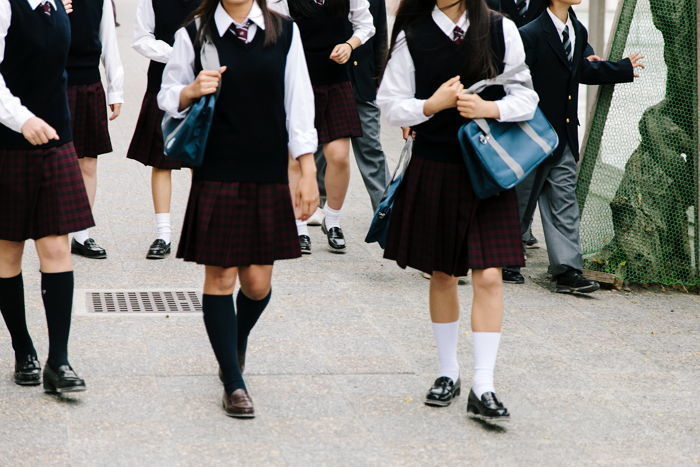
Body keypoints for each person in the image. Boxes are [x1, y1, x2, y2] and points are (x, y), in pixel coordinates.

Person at [378, 0, 538, 420]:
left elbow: (526, 94)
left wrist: (490, 108)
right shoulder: (412, 35)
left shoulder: (500, 28)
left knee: (489, 276)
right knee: (444, 273)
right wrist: (429, 106)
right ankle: (448, 373)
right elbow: (389, 103)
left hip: (487, 170)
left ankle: (483, 384)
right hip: (435, 165)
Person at [158, 0, 318, 417]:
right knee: (221, 274)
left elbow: (298, 102)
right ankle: (233, 381)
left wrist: (306, 171)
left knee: (258, 284)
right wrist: (190, 90)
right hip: (217, 167)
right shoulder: (194, 32)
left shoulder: (284, 31)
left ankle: (234, 340)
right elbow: (167, 94)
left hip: (266, 169)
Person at [517, 0, 643, 293]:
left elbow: (582, 71)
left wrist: (621, 69)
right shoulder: (529, 34)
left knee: (565, 202)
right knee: (520, 200)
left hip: (564, 136)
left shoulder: (577, 30)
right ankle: (507, 260)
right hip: (532, 136)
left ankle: (567, 272)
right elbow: (512, 84)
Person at [0, 0, 92, 394]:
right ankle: (24, 350)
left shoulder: (56, 3)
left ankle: (59, 360)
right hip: (7, 140)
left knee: (57, 248)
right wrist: (23, 120)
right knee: (7, 252)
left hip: (57, 137)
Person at [270, 0, 374, 255]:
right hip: (298, 82)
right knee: (296, 158)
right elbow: (273, 31)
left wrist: (350, 45)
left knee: (339, 157)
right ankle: (298, 224)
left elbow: (366, 25)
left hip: (337, 81)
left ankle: (333, 220)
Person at [128, 0, 201, 260]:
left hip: (204, 84)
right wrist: (176, 54)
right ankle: (163, 234)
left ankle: (202, 228)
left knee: (201, 162)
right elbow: (141, 38)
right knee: (162, 162)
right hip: (162, 84)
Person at [311, 0, 388, 222]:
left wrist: (380, 80)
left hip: (362, 81)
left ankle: (384, 209)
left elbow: (379, 36)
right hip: (325, 79)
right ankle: (315, 204)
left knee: (371, 148)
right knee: (319, 148)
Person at [66, 0, 124, 260]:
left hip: (89, 83)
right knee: (54, 163)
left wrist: (115, 88)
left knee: (88, 162)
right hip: (50, 86)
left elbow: (109, 41)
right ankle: (50, 233)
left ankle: (81, 234)